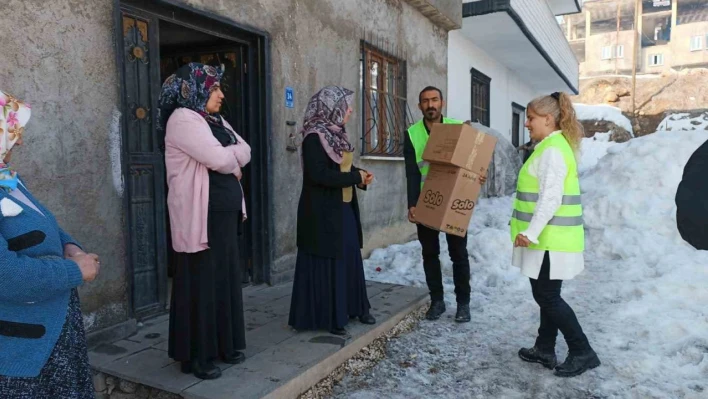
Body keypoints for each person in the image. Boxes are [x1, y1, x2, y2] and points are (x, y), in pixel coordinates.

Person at [0, 90, 101, 398]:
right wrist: (74, 272)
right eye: (14, 132)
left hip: (53, 334)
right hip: (21, 352)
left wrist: (72, 247)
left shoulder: (10, 181)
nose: (21, 141)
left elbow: (47, 224)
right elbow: (7, 277)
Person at [159, 63, 251, 380]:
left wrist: (232, 158)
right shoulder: (183, 119)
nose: (221, 94)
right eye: (214, 88)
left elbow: (246, 149)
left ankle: (224, 344)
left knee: (224, 278)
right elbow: (219, 158)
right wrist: (231, 159)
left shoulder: (213, 120)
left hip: (222, 215)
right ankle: (197, 356)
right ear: (195, 89)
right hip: (200, 217)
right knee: (201, 282)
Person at [511, 91, 601, 377]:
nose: (527, 123)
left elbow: (551, 198)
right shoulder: (553, 146)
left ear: (548, 119)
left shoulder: (552, 151)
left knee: (548, 297)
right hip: (550, 239)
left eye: (531, 118)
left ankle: (582, 351)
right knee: (546, 296)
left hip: (550, 240)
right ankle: (545, 347)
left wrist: (531, 232)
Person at [289, 86, 376, 336]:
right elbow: (319, 175)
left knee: (349, 255)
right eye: (345, 105)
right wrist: (353, 177)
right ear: (331, 107)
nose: (349, 110)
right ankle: (331, 315)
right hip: (321, 213)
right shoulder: (314, 137)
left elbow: (341, 166)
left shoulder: (337, 135)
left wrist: (360, 177)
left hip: (342, 207)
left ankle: (355, 307)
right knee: (331, 259)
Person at [404, 86, 485, 323]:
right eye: (426, 101)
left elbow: (473, 162)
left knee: (458, 254)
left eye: (435, 100)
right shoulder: (411, 134)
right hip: (426, 201)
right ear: (420, 106)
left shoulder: (458, 129)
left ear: (442, 102)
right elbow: (410, 174)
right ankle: (437, 301)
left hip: (454, 199)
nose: (431, 105)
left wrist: (479, 175)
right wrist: (412, 204)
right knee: (430, 254)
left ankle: (463, 304)